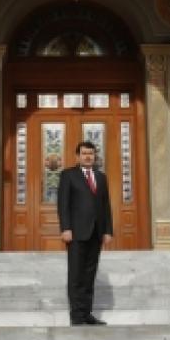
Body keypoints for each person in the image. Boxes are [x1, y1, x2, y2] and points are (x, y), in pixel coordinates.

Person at [56, 140, 113, 326]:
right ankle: (76, 315)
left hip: (96, 233)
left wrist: (107, 230)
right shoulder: (68, 175)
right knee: (76, 275)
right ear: (78, 156)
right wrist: (65, 228)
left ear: (94, 156)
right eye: (84, 153)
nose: (88, 156)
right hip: (76, 233)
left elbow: (105, 206)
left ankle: (87, 313)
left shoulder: (101, 177)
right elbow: (63, 204)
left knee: (89, 275)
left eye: (91, 153)